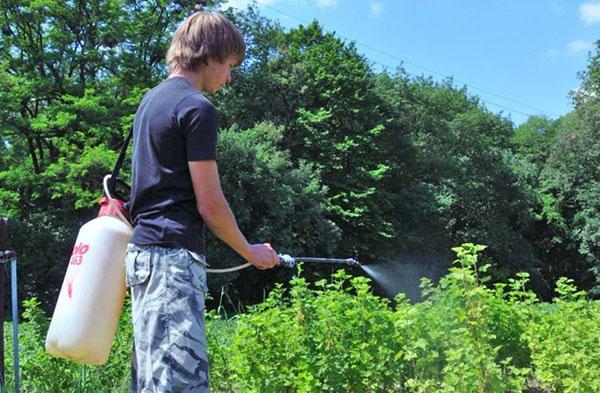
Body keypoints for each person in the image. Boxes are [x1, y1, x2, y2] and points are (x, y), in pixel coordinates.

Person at [125, 8, 279, 392]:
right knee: (179, 385)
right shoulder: (197, 107)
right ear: (207, 56)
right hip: (172, 261)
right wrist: (250, 251)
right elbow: (210, 204)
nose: (229, 76)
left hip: (143, 259)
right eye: (229, 65)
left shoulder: (150, 101)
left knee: (152, 382)